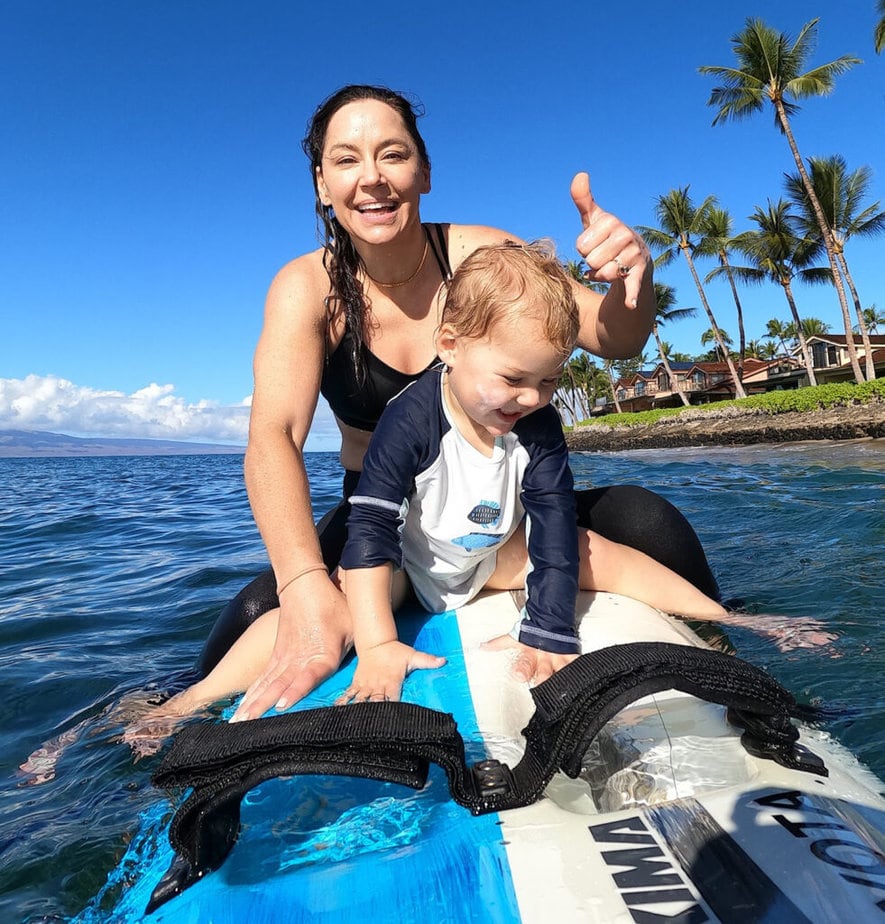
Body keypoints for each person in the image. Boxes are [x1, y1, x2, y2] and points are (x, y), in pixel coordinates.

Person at [204, 82, 717, 724]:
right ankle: (172, 722)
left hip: (504, 504)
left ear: (423, 170)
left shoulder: (484, 257)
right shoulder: (308, 289)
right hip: (383, 512)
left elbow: (612, 335)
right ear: (321, 183)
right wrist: (305, 584)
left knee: (648, 521)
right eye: (345, 160)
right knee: (257, 610)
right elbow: (274, 437)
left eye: (392, 155)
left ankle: (733, 658)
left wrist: (631, 278)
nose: (371, 179)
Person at [128, 242, 734, 734]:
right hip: (407, 560)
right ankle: (184, 704)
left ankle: (725, 622)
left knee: (593, 550)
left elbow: (550, 521)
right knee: (323, 613)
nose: (532, 399)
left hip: (488, 550)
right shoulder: (409, 418)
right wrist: (377, 643)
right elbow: (370, 529)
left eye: (550, 381)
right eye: (514, 379)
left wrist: (547, 630)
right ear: (449, 347)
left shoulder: (538, 420)